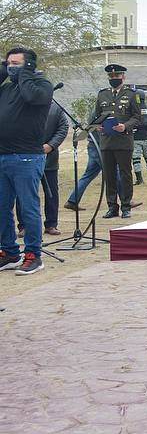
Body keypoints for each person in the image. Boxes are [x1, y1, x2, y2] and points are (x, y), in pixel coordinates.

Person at [0, 48, 54, 275]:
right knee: (2, 208)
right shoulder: (6, 88)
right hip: (3, 155)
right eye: (8, 63)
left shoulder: (42, 86)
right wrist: (5, 70)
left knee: (28, 208)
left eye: (16, 63)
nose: (11, 66)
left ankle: (33, 255)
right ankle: (10, 252)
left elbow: (32, 97)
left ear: (29, 65)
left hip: (27, 157)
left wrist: (25, 73)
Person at [88, 64, 142, 219]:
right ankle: (112, 206)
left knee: (125, 174)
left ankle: (126, 206)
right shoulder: (102, 94)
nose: (114, 79)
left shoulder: (132, 94)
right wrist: (97, 126)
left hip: (124, 141)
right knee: (109, 175)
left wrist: (125, 126)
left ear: (123, 77)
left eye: (117, 76)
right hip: (106, 141)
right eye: (111, 77)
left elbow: (137, 118)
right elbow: (97, 116)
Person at [19, 102, 69, 238]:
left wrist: (51, 145)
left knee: (51, 191)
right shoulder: (22, 105)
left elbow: (63, 127)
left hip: (49, 158)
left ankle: (51, 224)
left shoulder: (56, 108)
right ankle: (24, 225)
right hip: (26, 156)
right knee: (24, 192)